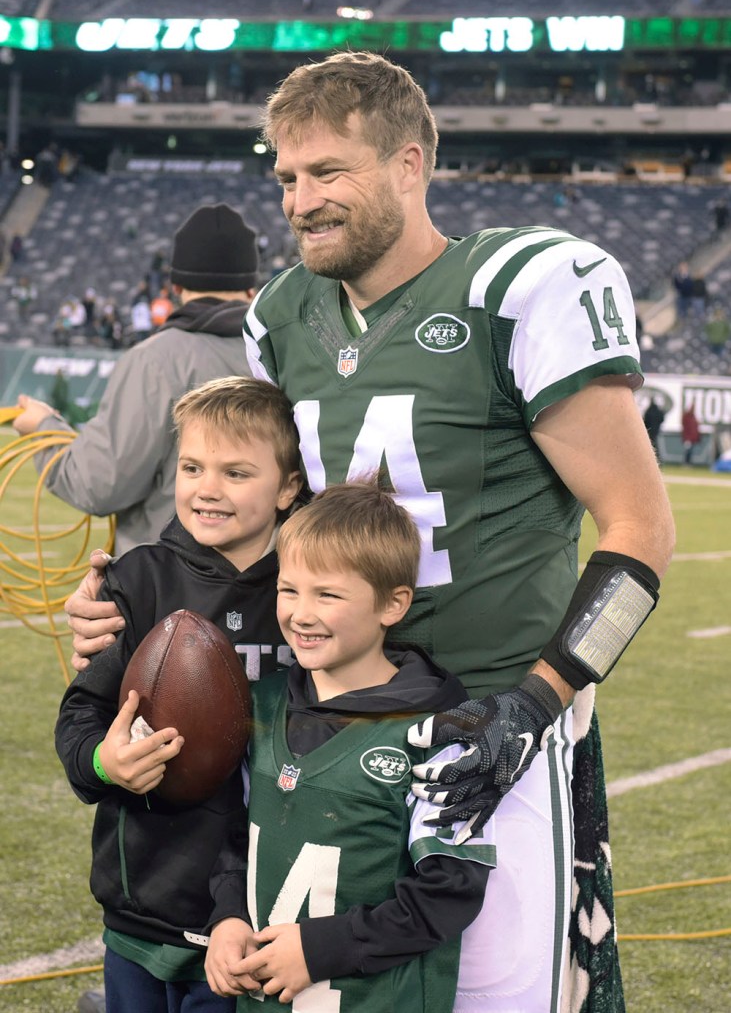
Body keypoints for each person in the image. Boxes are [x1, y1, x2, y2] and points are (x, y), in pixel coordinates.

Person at [65, 52, 675, 1013]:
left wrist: (531, 703)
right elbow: (256, 519)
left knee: (495, 994)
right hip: (330, 725)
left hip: (489, 719)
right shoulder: (281, 317)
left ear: (408, 163)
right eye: (287, 178)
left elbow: (641, 529)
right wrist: (131, 603)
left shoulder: (518, 285)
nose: (300, 200)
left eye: (327, 171)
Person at [55, 376, 303, 1013]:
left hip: (256, 909)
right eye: (192, 466)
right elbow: (81, 714)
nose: (207, 488)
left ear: (288, 486)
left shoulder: (309, 592)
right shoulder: (140, 579)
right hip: (144, 890)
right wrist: (105, 763)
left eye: (236, 472)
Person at [204, 480, 498, 1010]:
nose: (301, 613)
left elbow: (449, 891)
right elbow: (235, 835)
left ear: (393, 604)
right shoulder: (263, 704)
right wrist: (227, 917)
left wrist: (320, 949)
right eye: (289, 590)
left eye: (328, 594)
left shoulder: (440, 734)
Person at [13, 203, 260, 556]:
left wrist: (44, 428)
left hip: (169, 590)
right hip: (271, 593)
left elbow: (98, 485)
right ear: (252, 289)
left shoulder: (154, 360)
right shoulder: (287, 355)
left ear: (175, 286)